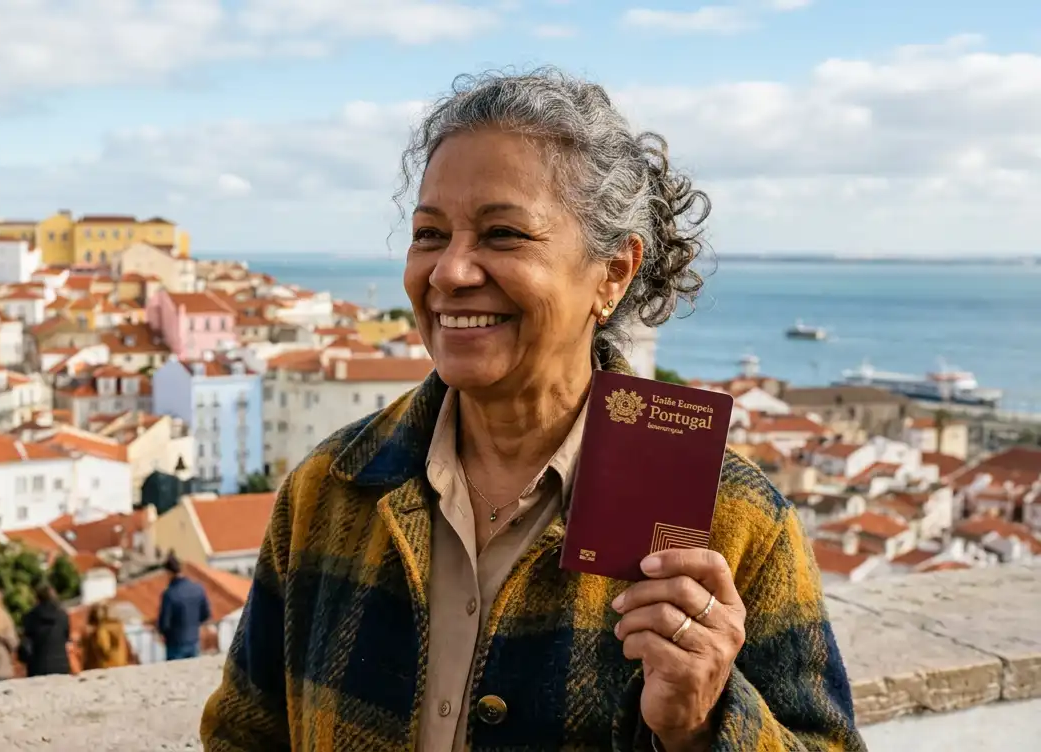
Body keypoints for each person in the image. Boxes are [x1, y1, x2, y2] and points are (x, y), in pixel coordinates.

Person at [202, 68, 865, 751]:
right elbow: (243, 735)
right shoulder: (332, 488)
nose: (450, 273)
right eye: (430, 234)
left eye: (503, 235)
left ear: (613, 273)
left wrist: (704, 724)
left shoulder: (732, 522)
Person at [156, 553, 210, 661]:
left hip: (175, 644)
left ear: (169, 573)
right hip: (194, 640)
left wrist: (162, 633)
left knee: (176, 675)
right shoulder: (198, 589)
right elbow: (206, 614)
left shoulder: (170, 594)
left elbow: (164, 623)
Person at [18, 581, 71, 677]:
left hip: (38, 666)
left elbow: (26, 641)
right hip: (61, 665)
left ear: (37, 597)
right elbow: (66, 637)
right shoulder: (62, 615)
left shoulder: (30, 617)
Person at [80, 601, 132, 670]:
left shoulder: (100, 630)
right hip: (119, 666)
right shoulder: (119, 627)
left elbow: (103, 647)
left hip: (104, 666)